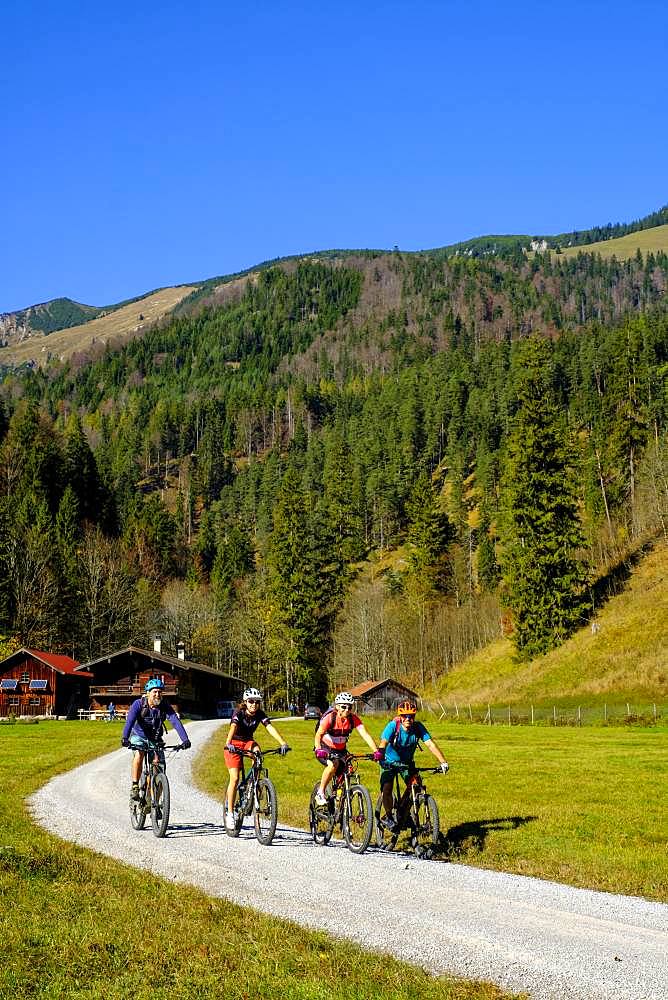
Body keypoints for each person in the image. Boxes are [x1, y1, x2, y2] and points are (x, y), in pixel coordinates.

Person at [224, 687, 290, 831]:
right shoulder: (239, 712)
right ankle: (230, 813)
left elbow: (270, 727)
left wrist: (282, 743)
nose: (254, 704)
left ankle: (253, 784)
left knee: (258, 753)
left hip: (247, 742)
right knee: (234, 778)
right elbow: (233, 727)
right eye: (251, 701)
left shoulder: (259, 714)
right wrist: (228, 743)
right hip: (234, 744)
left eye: (257, 702)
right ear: (245, 702)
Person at [377, 700, 448, 831]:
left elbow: (430, 744)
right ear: (400, 716)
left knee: (416, 785)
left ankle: (402, 812)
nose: (408, 719)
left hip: (406, 763)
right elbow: (383, 743)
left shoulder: (418, 727)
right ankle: (388, 816)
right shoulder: (393, 726)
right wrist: (380, 755)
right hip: (389, 761)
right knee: (387, 787)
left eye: (411, 716)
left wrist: (443, 761)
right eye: (405, 716)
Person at [121, 678, 191, 800]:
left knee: (159, 768)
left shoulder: (164, 705)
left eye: (160, 692)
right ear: (148, 693)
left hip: (155, 739)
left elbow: (175, 721)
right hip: (139, 736)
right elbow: (130, 722)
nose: (157, 695)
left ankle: (156, 804)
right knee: (139, 754)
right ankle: (135, 786)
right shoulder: (138, 704)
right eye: (154, 692)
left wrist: (185, 740)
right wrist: (125, 738)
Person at [313, 691, 383, 806]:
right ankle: (320, 792)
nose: (347, 710)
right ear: (337, 706)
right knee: (332, 765)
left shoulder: (353, 719)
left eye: (350, 707)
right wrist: (318, 749)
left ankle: (338, 797)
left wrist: (376, 751)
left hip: (341, 750)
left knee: (348, 769)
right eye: (343, 707)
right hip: (324, 748)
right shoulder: (330, 718)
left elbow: (365, 734)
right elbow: (318, 735)